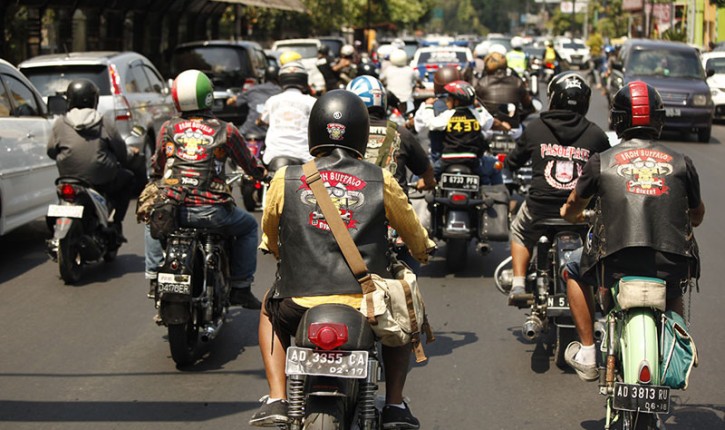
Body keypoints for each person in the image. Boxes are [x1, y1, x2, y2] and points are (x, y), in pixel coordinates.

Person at [250, 90, 435, 428]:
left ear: (314, 129)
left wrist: (279, 252)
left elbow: (270, 235)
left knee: (267, 308)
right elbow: (414, 234)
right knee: (400, 312)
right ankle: (394, 404)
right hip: (366, 304)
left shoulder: (285, 177)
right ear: (360, 133)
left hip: (298, 301)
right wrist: (423, 251)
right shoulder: (380, 178)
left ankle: (277, 398)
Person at [560, 81, 705, 381]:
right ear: (659, 120)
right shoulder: (682, 163)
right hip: (670, 262)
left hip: (614, 261)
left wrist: (569, 214)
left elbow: (574, 204)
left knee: (572, 267)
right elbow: (697, 215)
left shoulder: (601, 161)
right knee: (674, 287)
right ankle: (676, 349)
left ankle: (587, 351)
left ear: (618, 119)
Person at [145, 69, 266, 308]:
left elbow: (158, 164)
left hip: (173, 208)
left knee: (152, 219)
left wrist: (158, 177)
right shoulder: (226, 130)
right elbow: (249, 164)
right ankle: (241, 287)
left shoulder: (168, 128)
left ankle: (152, 276)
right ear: (208, 96)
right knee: (249, 227)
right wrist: (263, 175)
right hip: (212, 210)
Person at [506, 72, 610, 305]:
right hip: (581, 213)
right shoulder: (596, 134)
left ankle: (518, 284)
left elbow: (512, 161)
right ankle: (601, 289)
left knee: (519, 231)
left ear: (552, 98)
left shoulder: (535, 128)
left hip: (539, 209)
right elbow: (608, 171)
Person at [47, 79, 135, 238]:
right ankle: (116, 222)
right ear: (94, 100)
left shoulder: (60, 123)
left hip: (68, 178)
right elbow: (121, 152)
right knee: (128, 178)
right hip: (101, 180)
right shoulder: (103, 122)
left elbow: (51, 151)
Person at [420, 80, 498, 183]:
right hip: (472, 159)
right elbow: (488, 122)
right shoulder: (476, 115)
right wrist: (478, 106)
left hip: (448, 159)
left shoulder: (449, 115)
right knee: (485, 181)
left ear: (456, 101)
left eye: (449, 98)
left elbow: (431, 124)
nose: (446, 101)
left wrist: (428, 107)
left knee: (426, 177)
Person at [257, 61, 317, 166]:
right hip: (304, 157)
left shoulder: (272, 101)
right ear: (304, 79)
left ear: (281, 79)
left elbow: (262, 120)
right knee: (317, 176)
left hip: (273, 156)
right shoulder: (312, 102)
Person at [475, 51, 535, 142]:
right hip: (513, 131)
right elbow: (528, 106)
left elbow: (475, 105)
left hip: (489, 130)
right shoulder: (517, 82)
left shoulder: (481, 83)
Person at [413, 66, 461, 164]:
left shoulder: (428, 105)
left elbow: (420, 128)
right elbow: (486, 125)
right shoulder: (470, 104)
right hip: (469, 157)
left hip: (439, 157)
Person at [226, 64, 282, 136]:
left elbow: (230, 102)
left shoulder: (253, 89)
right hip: (273, 133)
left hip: (248, 131)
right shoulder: (283, 92)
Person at [379, 48, 418, 113]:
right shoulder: (410, 70)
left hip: (391, 102)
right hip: (407, 101)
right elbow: (417, 79)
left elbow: (380, 79)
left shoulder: (388, 70)